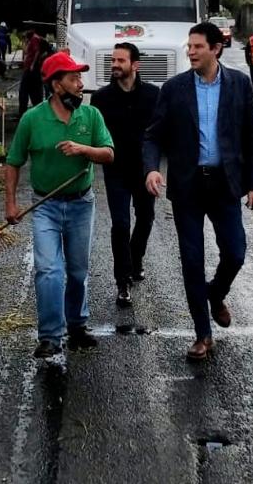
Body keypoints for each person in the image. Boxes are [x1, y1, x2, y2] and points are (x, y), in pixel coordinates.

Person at [143, 21, 253, 361]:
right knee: (192, 260)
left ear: (216, 48)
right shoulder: (174, 88)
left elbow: (251, 138)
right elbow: (153, 135)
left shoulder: (239, 84)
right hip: (188, 185)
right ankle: (202, 334)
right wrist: (152, 168)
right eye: (189, 46)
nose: (190, 51)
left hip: (225, 185)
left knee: (236, 252)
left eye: (197, 46)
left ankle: (216, 293)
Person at [5, 51, 115, 360]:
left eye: (80, 78)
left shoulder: (91, 116)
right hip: (45, 206)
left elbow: (109, 154)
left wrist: (83, 149)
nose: (81, 84)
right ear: (56, 85)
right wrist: (11, 204)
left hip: (81, 204)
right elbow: (13, 163)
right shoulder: (33, 119)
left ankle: (77, 326)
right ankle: (50, 336)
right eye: (74, 78)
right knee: (49, 271)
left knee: (78, 271)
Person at [91, 42, 160, 307]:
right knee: (120, 224)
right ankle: (122, 281)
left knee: (146, 218)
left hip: (144, 171)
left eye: (121, 60)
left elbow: (161, 131)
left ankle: (136, 258)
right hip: (116, 171)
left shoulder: (154, 96)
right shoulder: (101, 98)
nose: (115, 65)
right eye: (113, 60)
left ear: (135, 65)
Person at [18, 30, 44, 115]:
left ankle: (24, 111)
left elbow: (37, 52)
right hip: (30, 68)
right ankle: (25, 110)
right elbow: (26, 52)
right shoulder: (32, 39)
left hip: (32, 69)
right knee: (30, 90)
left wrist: (32, 64)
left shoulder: (34, 39)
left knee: (26, 90)